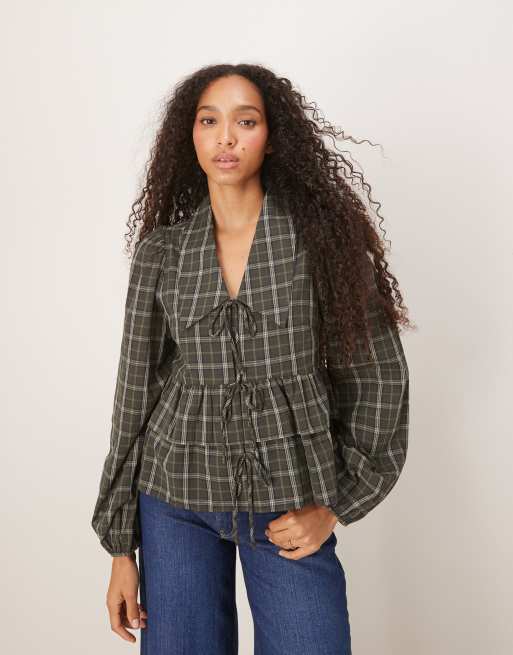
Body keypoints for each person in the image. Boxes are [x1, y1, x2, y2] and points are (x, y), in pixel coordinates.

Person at [91, 63, 412, 655]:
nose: (226, 138)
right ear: (189, 136)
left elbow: (377, 377)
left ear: (272, 135)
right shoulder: (162, 253)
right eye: (209, 121)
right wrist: (120, 549)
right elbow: (134, 392)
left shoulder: (322, 244)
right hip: (174, 499)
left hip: (288, 501)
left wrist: (335, 504)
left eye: (246, 122)